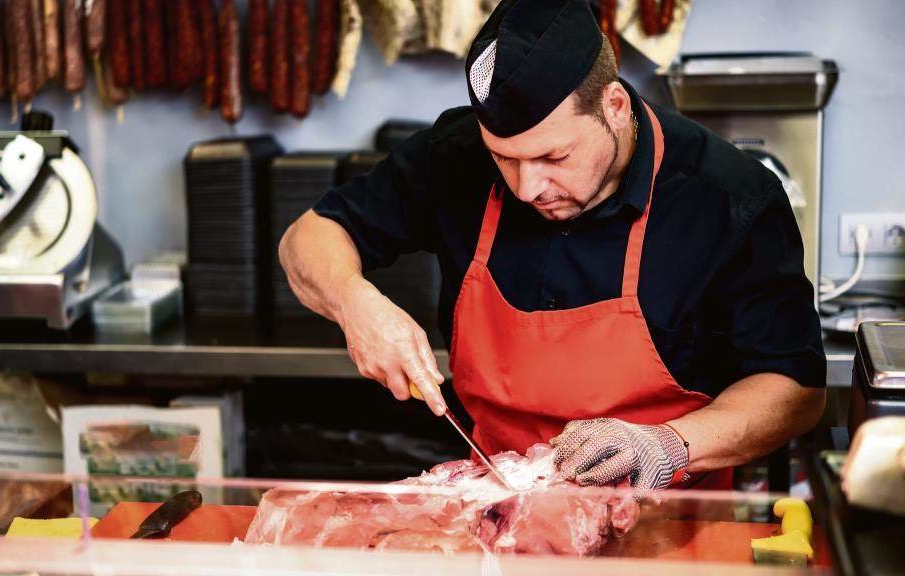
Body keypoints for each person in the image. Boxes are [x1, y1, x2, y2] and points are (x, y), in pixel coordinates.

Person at [278, 0, 826, 490]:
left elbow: (795, 389)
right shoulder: (454, 156)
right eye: (505, 159)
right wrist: (354, 303)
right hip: (500, 512)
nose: (527, 187)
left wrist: (665, 445)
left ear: (613, 106)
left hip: (672, 521)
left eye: (553, 158)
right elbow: (309, 237)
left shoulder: (726, 196)